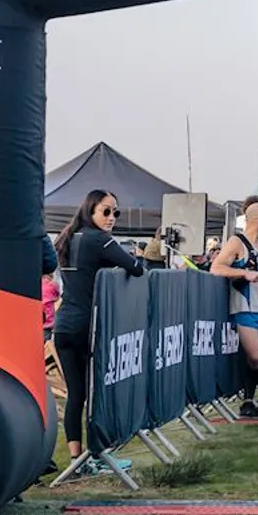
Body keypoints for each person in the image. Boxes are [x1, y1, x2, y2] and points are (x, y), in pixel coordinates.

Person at [52, 190, 145, 473]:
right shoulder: (97, 239)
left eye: (116, 212)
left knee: (76, 395)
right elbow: (136, 268)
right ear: (90, 209)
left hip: (63, 325)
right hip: (85, 327)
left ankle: (76, 461)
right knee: (94, 395)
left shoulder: (69, 237)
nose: (112, 218)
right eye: (106, 211)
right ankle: (95, 456)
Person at [212, 202, 258, 417]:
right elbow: (217, 267)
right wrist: (243, 274)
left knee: (254, 360)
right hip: (245, 307)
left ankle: (252, 399)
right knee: (257, 357)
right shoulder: (236, 242)